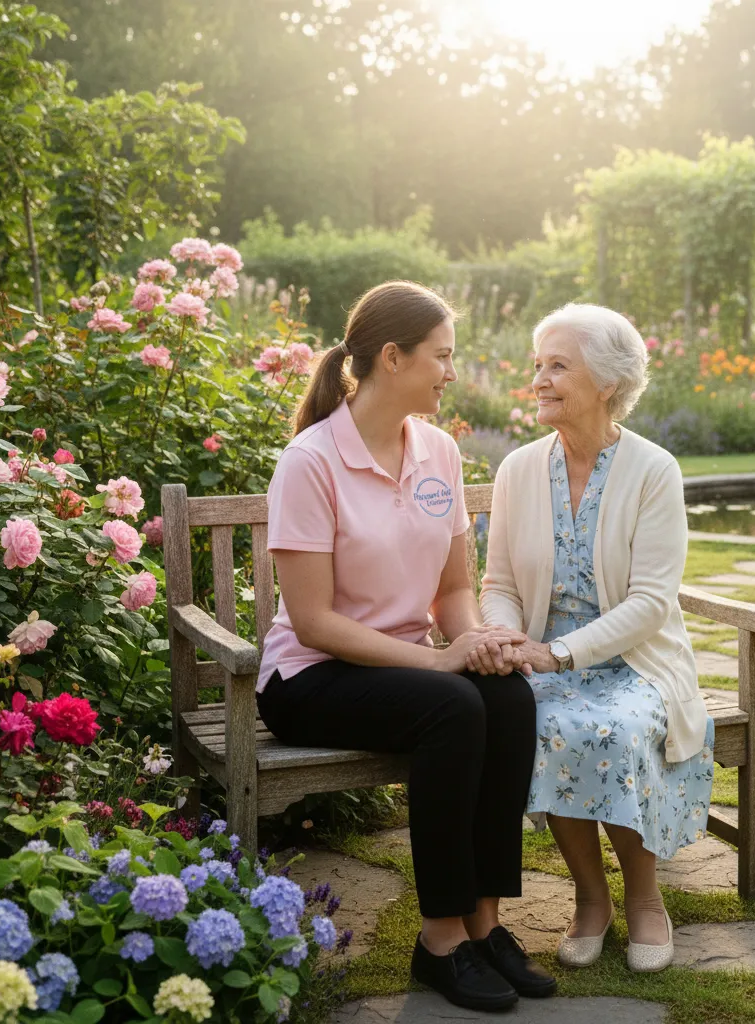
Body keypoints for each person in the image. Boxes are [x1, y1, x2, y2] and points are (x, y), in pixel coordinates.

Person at [256, 281, 556, 1011]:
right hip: (311, 679)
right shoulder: (311, 461)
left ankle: (485, 925)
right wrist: (439, 660)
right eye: (441, 356)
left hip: (406, 671)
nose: (452, 372)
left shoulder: (439, 452)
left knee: (507, 697)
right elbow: (314, 619)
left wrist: (477, 639)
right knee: (454, 706)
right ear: (392, 357)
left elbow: (453, 589)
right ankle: (440, 942)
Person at [475, 303, 715, 973]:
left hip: (634, 662)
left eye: (559, 366)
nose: (540, 380)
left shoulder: (653, 470)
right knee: (539, 718)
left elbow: (650, 603)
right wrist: (501, 632)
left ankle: (643, 898)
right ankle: (590, 897)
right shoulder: (519, 469)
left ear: (608, 382)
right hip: (540, 658)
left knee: (611, 727)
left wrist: (560, 652)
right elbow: (498, 582)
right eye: (538, 366)